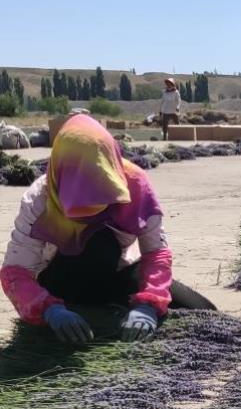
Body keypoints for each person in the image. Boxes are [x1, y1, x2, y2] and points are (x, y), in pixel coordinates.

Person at [0, 114, 215, 345]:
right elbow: (15, 271)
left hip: (117, 270)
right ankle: (79, 309)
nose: (91, 213)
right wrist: (49, 309)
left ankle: (106, 306)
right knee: (96, 244)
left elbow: (156, 253)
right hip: (62, 279)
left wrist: (149, 303)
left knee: (207, 314)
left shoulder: (136, 186)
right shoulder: (39, 199)